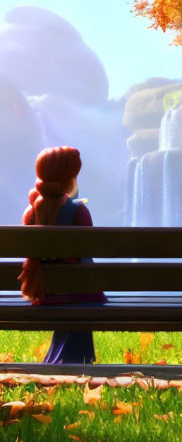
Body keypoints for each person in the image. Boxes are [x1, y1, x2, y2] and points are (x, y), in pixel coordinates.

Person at [18, 146, 107, 364]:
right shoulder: (79, 212)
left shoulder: (31, 213)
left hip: (44, 294)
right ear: (69, 180)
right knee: (81, 292)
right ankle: (76, 359)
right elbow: (88, 249)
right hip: (80, 294)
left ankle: (63, 358)